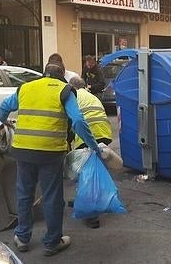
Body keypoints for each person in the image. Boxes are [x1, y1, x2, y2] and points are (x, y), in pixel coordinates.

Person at [0, 62, 101, 256]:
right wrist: (94, 146)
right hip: (49, 153)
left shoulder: (26, 87)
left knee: (24, 194)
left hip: (23, 150)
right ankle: (52, 242)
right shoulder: (64, 90)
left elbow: (5, 106)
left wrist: (3, 121)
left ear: (44, 74)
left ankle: (22, 237)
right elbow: (78, 121)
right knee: (52, 197)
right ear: (61, 75)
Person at [67, 74, 113, 229]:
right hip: (104, 134)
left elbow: (72, 121)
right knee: (94, 172)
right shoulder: (91, 96)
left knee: (87, 175)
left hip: (87, 137)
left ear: (72, 87)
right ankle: (86, 201)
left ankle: (92, 216)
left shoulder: (73, 97)